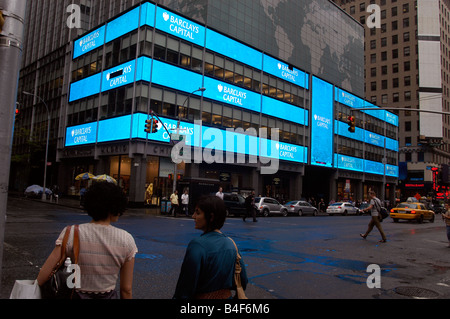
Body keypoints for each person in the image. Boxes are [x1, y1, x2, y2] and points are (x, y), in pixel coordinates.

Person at [37, 182, 138, 299]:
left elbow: (43, 276)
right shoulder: (126, 240)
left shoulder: (71, 233)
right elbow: (126, 290)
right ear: (114, 207)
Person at [173, 195, 248, 299]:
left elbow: (185, 288)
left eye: (198, 213)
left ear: (211, 217)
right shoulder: (231, 244)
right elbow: (242, 280)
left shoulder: (197, 245)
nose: (193, 216)